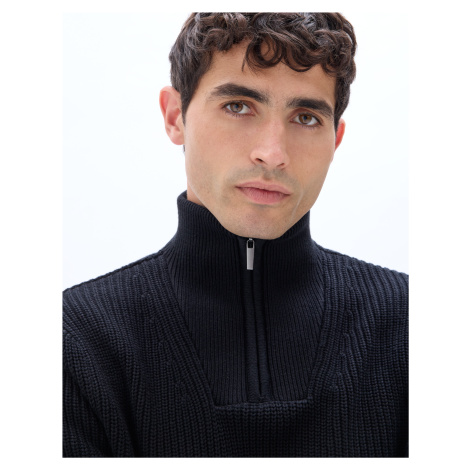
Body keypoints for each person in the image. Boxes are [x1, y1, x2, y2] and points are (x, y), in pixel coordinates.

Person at [63, 12, 408, 457]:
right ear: (175, 117)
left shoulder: (417, 324)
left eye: (306, 117)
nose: (272, 153)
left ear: (335, 140)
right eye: (238, 106)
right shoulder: (74, 337)